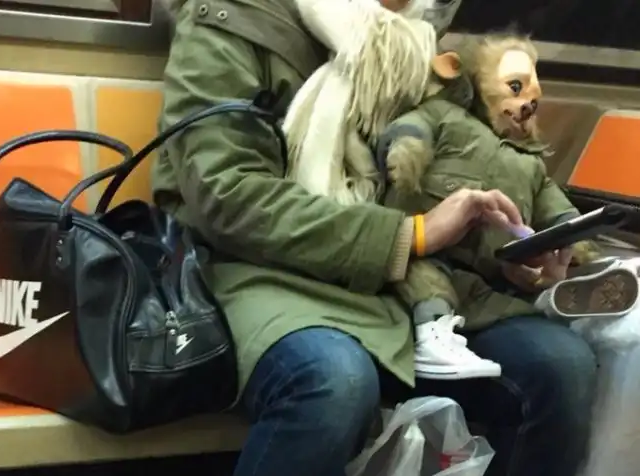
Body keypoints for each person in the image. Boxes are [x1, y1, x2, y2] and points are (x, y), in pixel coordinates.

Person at [151, 0, 597, 475]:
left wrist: (503, 252)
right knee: (334, 383)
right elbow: (228, 194)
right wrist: (411, 235)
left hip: (411, 280)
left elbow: (460, 164)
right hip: (259, 269)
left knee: (560, 367)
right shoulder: (231, 18)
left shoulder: (417, 40)